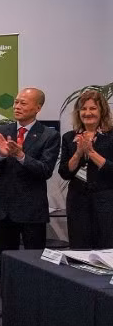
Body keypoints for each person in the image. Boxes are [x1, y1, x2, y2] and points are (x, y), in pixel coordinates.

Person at [0, 88, 59, 318]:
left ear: (38, 107)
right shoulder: (2, 131)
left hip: (31, 209)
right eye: (16, 102)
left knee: (33, 261)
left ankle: (34, 307)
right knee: (5, 259)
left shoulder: (48, 135)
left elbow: (45, 171)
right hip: (4, 207)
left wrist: (20, 156)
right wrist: (2, 155)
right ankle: (9, 306)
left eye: (23, 103)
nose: (17, 106)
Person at [58, 89, 113, 249]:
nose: (87, 113)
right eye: (83, 109)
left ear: (102, 111)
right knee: (79, 247)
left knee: (106, 248)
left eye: (92, 108)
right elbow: (64, 172)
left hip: (106, 202)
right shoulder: (69, 137)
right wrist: (78, 153)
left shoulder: (110, 137)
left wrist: (91, 152)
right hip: (77, 202)